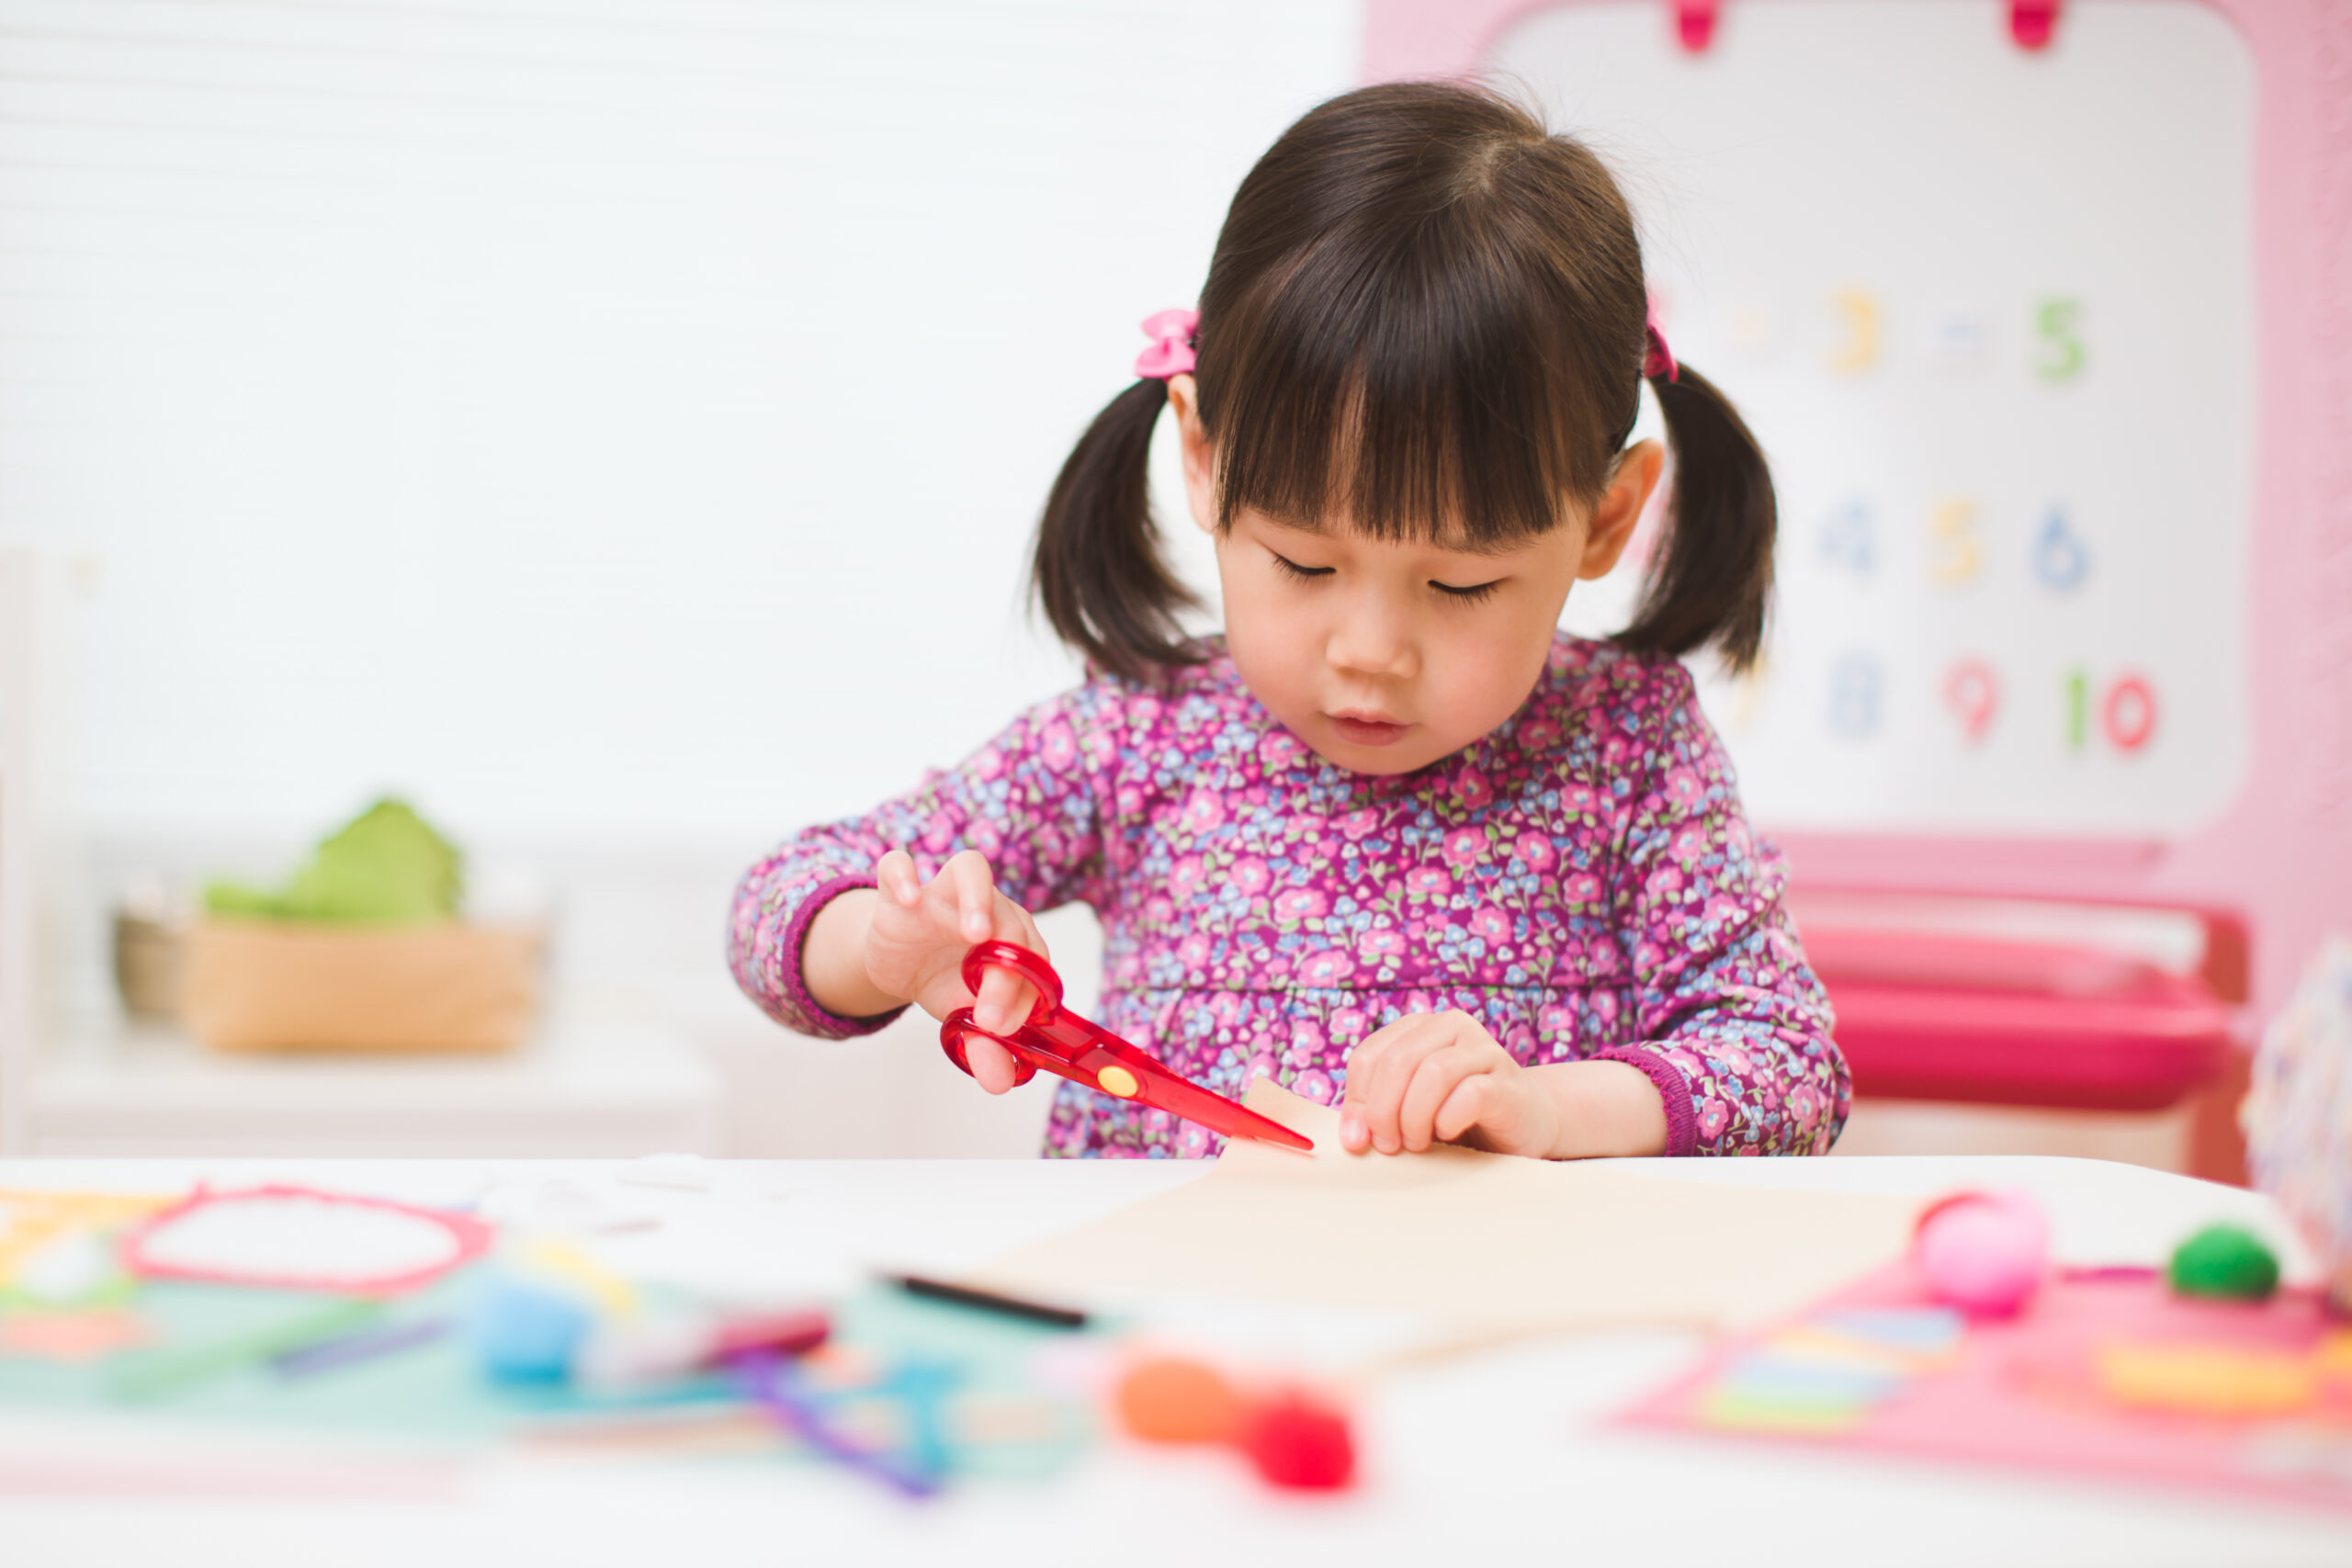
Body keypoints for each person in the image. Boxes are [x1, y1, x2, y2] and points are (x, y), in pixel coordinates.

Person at [729, 81, 1848, 1161]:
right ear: (1206, 461)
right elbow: (779, 900)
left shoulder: (1628, 749)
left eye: (1459, 587)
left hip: (1494, 1340)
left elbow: (1788, 1066)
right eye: (1305, 563)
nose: (1369, 650)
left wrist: (1547, 1110)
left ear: (1606, 518)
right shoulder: (1137, 739)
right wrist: (881, 948)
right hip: (1164, 1333)